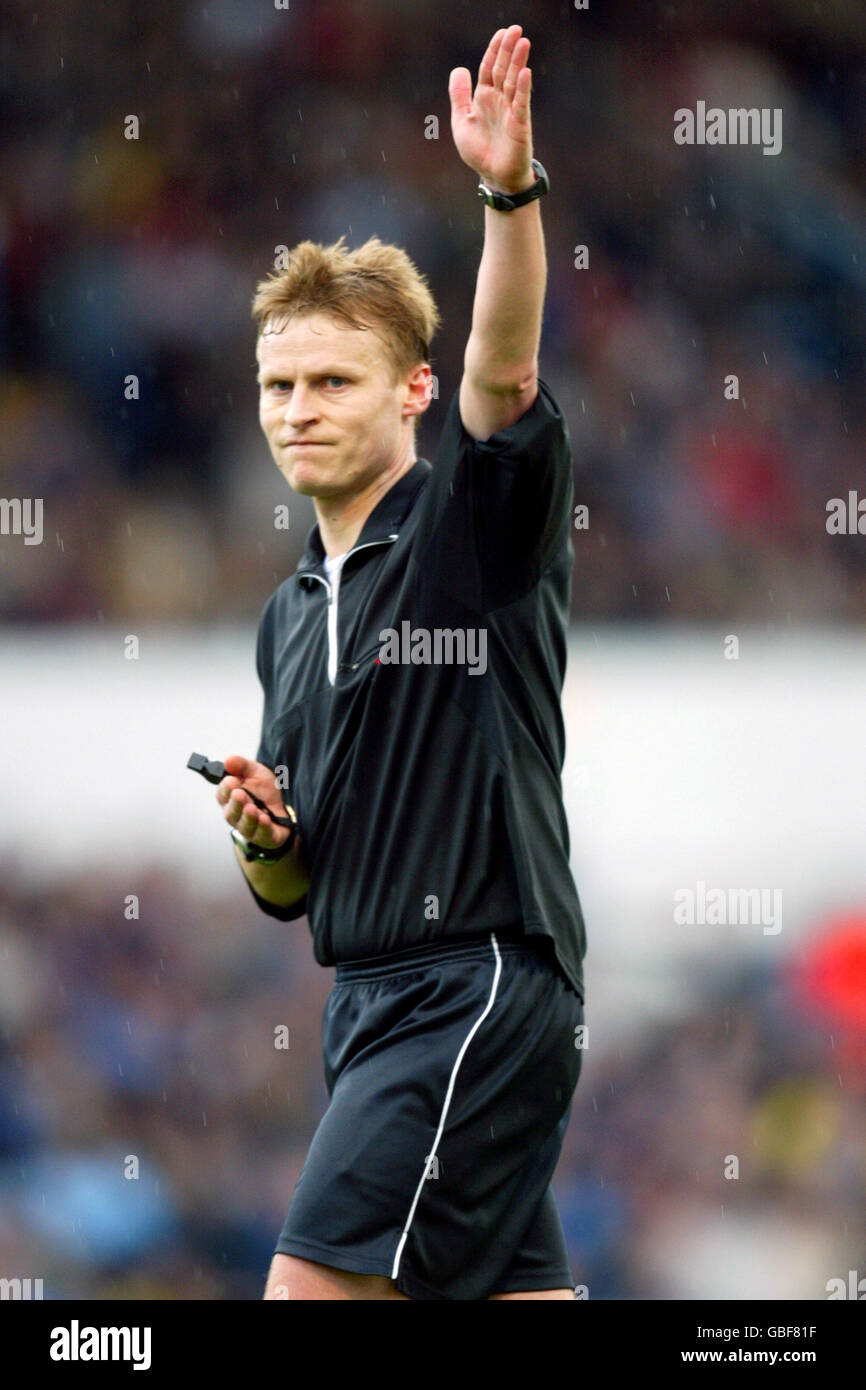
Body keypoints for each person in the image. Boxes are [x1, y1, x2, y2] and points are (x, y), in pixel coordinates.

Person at [215, 23, 587, 1300]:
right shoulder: (287, 611)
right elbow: (289, 888)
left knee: (308, 1294)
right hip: (369, 1001)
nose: (298, 407)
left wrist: (506, 193)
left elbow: (507, 364)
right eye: (278, 385)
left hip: (470, 983)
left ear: (412, 391)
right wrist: (265, 833)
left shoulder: (464, 528)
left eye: (332, 379)